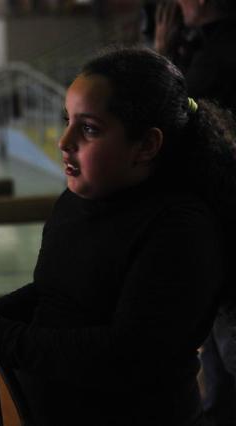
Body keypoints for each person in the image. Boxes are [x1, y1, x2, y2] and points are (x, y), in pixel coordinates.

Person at [0, 47, 236, 425]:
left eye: (88, 129)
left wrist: (1, 337)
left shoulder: (179, 229)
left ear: (147, 144)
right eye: (67, 120)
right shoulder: (76, 201)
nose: (64, 141)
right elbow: (54, 294)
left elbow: (127, 354)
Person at [155, 2, 236, 424]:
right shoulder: (208, 48)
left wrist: (161, 54)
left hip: (225, 228)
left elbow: (173, 116)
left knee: (225, 367)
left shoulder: (219, 56)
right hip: (218, 226)